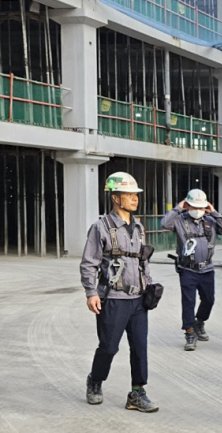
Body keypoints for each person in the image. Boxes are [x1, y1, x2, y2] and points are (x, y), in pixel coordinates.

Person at [80, 171, 158, 412]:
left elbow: (142, 261)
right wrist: (91, 292)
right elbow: (89, 263)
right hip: (113, 299)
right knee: (109, 347)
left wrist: (150, 286)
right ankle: (95, 381)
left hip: (137, 300)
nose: (135, 198)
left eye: (136, 194)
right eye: (129, 194)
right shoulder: (100, 227)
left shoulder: (138, 227)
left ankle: (137, 392)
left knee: (140, 347)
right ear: (115, 197)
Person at [161, 189, 222, 351]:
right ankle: (190, 332)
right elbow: (164, 223)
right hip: (187, 269)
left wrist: (214, 212)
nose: (198, 210)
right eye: (194, 206)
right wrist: (178, 208)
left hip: (207, 268)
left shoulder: (210, 220)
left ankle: (200, 322)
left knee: (209, 299)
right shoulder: (179, 220)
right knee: (188, 301)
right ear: (188, 205)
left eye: (201, 207)